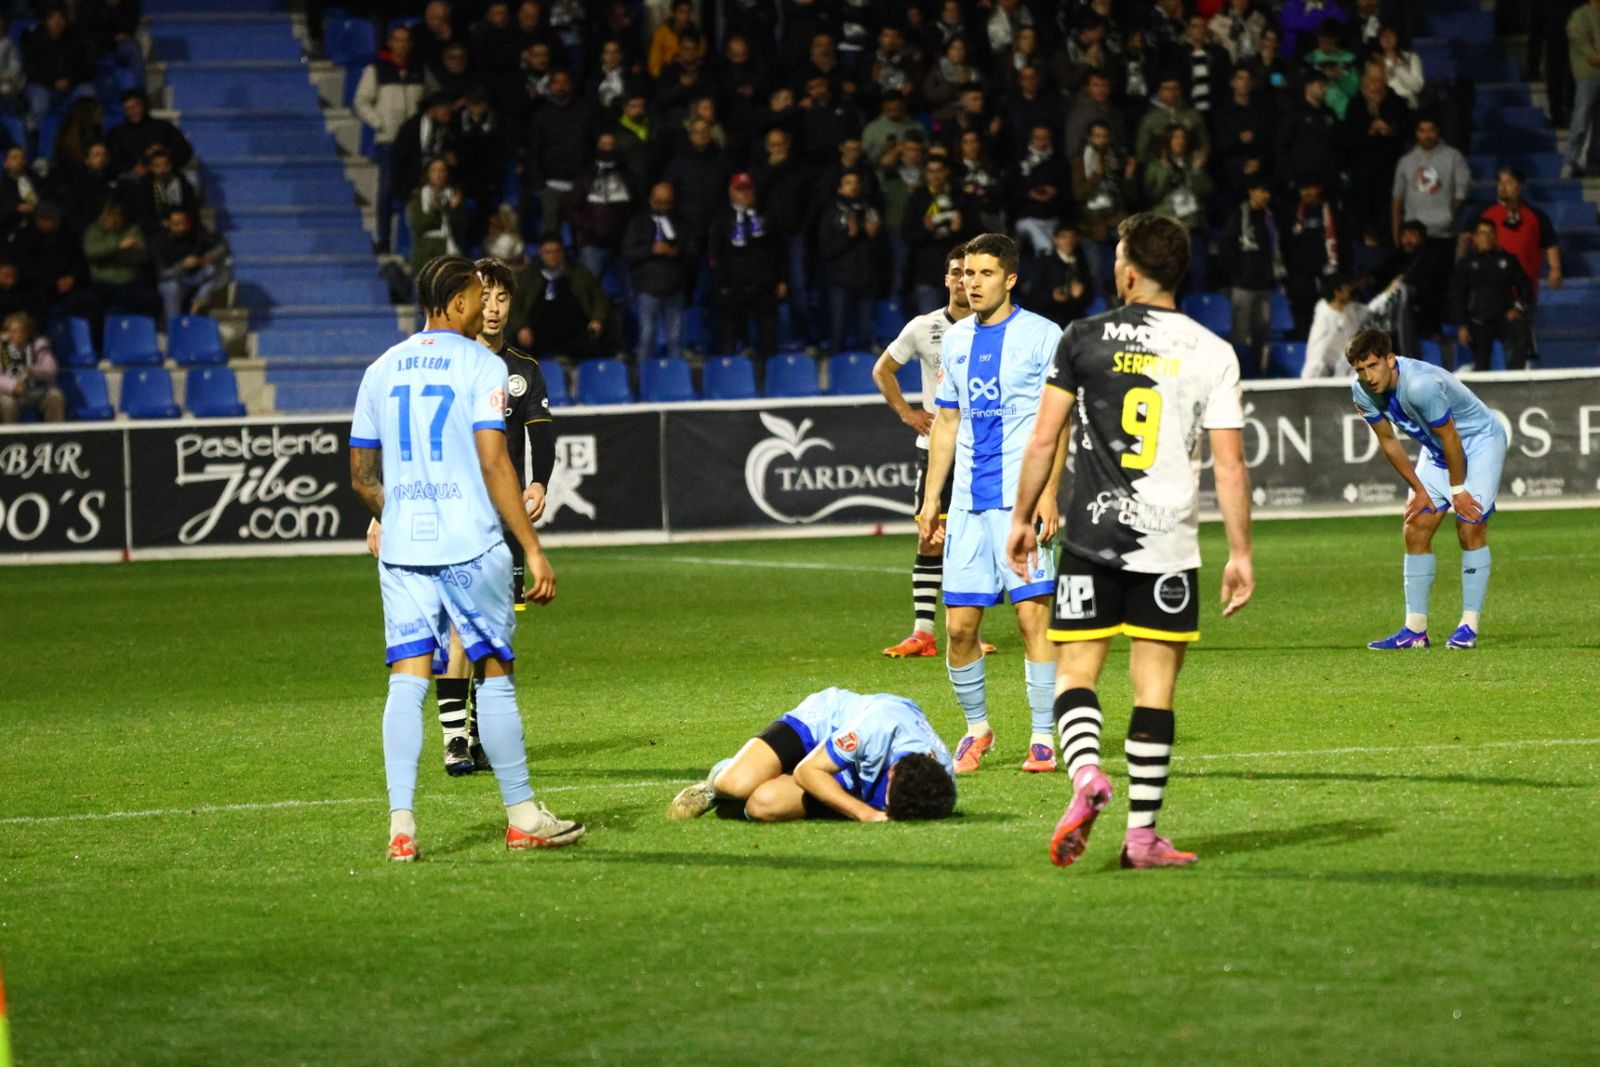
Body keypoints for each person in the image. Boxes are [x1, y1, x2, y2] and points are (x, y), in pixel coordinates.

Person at [1006, 212, 1254, 870]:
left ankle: (1086, 773)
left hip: (1091, 535)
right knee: (1155, 689)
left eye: (1117, 255)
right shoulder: (1212, 350)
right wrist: (1240, 553)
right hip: (1167, 544)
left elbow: (1042, 438)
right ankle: (1141, 835)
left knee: (1076, 671)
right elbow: (1230, 464)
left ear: (1131, 270)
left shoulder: (1082, 337)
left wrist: (1022, 515)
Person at [349, 254, 582, 860]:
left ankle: (402, 829)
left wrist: (390, 516)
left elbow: (361, 475)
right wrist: (531, 547)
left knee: (406, 683)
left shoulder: (380, 367)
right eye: (480, 296)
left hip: (402, 549)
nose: (489, 306)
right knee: (497, 675)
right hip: (471, 544)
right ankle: (523, 816)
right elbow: (494, 460)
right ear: (456, 303)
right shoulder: (481, 364)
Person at [919, 233, 1069, 775]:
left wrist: (1049, 495)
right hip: (966, 507)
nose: (971, 283)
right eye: (966, 274)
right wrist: (932, 500)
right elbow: (947, 421)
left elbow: (1059, 424)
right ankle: (977, 729)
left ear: (1010, 279)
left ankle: (1043, 736)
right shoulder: (955, 340)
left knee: (1033, 618)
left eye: (984, 274)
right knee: (960, 629)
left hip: (1019, 505)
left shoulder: (1043, 336)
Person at [1346, 327, 1507, 651]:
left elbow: (1453, 438)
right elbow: (1388, 441)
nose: (1368, 376)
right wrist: (1418, 489)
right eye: (1360, 370)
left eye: (1373, 366)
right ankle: (1414, 631)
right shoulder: (1362, 390)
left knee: (1469, 525)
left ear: (1390, 360)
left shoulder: (1419, 385)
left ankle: (1468, 626)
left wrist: (1458, 490)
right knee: (1416, 526)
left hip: (1478, 443)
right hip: (1439, 450)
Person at [873, 245, 979, 659]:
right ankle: (923, 632)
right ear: (947, 278)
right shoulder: (924, 327)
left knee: (975, 541)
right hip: (936, 448)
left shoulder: (995, 327)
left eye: (969, 273)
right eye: (955, 272)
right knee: (931, 536)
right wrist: (907, 413)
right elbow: (882, 370)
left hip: (982, 451)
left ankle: (966, 631)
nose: (961, 280)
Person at [665, 687, 957, 823]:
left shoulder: (940, 789)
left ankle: (769, 782)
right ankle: (716, 784)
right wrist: (865, 813)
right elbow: (808, 772)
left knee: (762, 806)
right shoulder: (876, 728)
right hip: (819, 727)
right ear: (892, 772)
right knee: (736, 785)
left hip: (847, 774)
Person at [353, 24, 426, 253]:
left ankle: (415, 241)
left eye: (406, 40)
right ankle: (383, 239)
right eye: (397, 40)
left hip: (415, 144)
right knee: (385, 191)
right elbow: (361, 101)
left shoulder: (419, 70)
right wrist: (379, 122)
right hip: (389, 139)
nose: (402, 45)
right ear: (390, 43)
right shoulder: (377, 69)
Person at [708, 172, 784, 361]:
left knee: (768, 334)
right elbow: (715, 253)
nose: (745, 194)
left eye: (748, 189)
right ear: (731, 192)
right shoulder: (722, 218)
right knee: (729, 334)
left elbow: (779, 250)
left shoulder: (766, 215)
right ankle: (729, 376)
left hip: (763, 284)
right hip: (733, 286)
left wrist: (781, 278)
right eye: (740, 190)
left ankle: (770, 378)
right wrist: (722, 284)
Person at [623, 182, 693, 363]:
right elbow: (629, 253)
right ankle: (642, 379)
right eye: (659, 202)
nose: (662, 207)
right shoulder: (638, 223)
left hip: (674, 287)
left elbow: (691, 252)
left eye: (667, 203)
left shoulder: (681, 223)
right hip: (648, 287)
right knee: (647, 336)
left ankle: (677, 380)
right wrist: (652, 250)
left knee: (675, 338)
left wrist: (676, 252)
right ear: (651, 200)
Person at [1451, 219, 1533, 372]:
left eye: (1490, 233)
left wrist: (1518, 308)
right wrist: (1462, 325)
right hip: (1478, 321)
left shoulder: (1508, 260)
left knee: (1518, 334)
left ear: (1496, 236)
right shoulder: (1466, 264)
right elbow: (1458, 296)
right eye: (1482, 233)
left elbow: (1526, 287)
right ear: (1475, 237)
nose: (1486, 237)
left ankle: (1518, 379)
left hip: (1505, 318)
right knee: (1482, 366)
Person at [511, 236, 610, 361]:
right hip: (537, 333)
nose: (552, 256)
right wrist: (521, 327)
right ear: (540, 253)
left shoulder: (580, 273)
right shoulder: (529, 276)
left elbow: (599, 298)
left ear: (563, 252)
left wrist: (597, 320)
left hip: (575, 332)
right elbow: (514, 304)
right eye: (548, 252)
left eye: (556, 251)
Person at [817, 170, 880, 354]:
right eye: (848, 182)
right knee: (838, 330)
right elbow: (825, 250)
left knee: (865, 333)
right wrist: (849, 236)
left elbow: (881, 251)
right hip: (840, 280)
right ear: (840, 187)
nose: (853, 186)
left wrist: (874, 237)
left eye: (856, 182)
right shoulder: (832, 213)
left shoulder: (869, 210)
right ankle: (837, 373)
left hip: (866, 279)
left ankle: (865, 375)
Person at [1222, 179, 1279, 373]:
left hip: (1264, 285)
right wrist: (1239, 271)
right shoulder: (1239, 216)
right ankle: (1237, 373)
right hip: (1243, 285)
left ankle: (1259, 372)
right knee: (1240, 333)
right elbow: (1227, 246)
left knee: (1262, 334)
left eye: (1268, 192)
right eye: (1261, 190)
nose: (1266, 196)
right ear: (1252, 191)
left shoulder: (1269, 218)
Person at [1390, 118, 1469, 250]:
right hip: (1413, 235)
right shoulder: (1406, 161)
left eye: (1431, 130)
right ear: (1416, 133)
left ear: (1438, 132)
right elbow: (1397, 200)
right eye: (1422, 131)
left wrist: (1447, 217)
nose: (1427, 135)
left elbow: (1461, 194)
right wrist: (1396, 233)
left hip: (1444, 234)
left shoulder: (1454, 156)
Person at [149, 207, 227, 321]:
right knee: (170, 287)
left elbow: (222, 247)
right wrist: (182, 265)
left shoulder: (197, 231)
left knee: (217, 268)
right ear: (167, 223)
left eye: (184, 223)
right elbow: (162, 274)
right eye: (176, 224)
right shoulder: (158, 241)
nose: (182, 227)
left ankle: (199, 301)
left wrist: (211, 255)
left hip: (197, 275)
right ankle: (173, 324)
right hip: (175, 280)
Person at [405, 158, 468, 276]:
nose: (438, 175)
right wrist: (434, 210)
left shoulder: (454, 196)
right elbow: (418, 225)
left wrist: (453, 209)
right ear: (428, 174)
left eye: (442, 171)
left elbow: (461, 225)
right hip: (428, 253)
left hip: (451, 252)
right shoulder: (418, 197)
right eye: (434, 171)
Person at [0, 311, 64, 424]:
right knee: (7, 404)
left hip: (35, 390)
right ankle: (10, 440)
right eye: (11, 331)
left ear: (27, 333)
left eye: (18, 331)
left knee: (55, 397)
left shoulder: (38, 346)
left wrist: (33, 370)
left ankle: (55, 437)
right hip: (9, 393)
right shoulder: (2, 348)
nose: (14, 335)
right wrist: (13, 386)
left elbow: (51, 370)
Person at [1302, 275, 1368, 378]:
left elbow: (1371, 310)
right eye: (1346, 288)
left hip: (1344, 372)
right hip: (1319, 378)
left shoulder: (1349, 309)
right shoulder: (1324, 319)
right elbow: (1316, 358)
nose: (1350, 290)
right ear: (1338, 293)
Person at [1563, 0, 1600, 178]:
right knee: (1581, 119)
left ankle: (1594, 163)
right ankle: (1570, 161)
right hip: (1587, 77)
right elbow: (1591, 56)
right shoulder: (1579, 17)